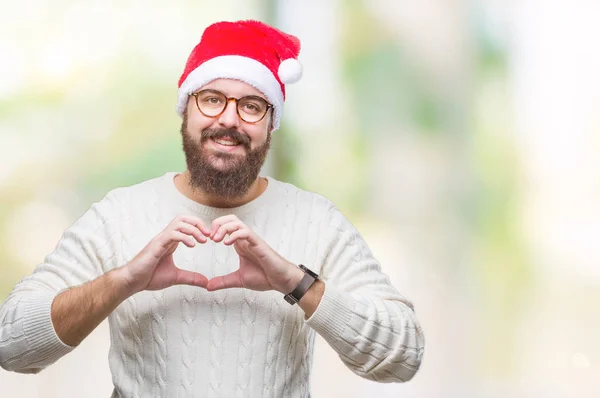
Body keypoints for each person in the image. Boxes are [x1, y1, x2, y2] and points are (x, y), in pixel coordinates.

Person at [0, 20, 425, 397]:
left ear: (269, 123)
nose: (229, 120)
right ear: (187, 110)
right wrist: (124, 281)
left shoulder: (316, 220)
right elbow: (11, 344)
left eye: (251, 106)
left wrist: (295, 284)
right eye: (212, 99)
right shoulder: (118, 214)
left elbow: (403, 356)